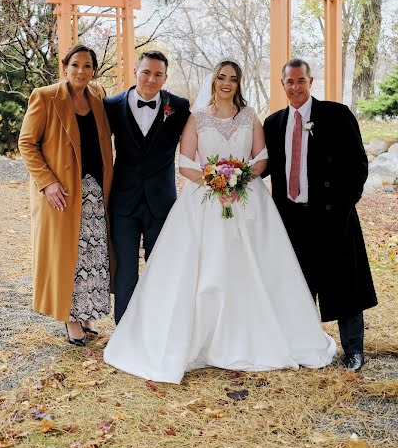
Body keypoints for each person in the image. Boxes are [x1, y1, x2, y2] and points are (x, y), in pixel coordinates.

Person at [104, 60, 336, 384]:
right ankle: (199, 337)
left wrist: (238, 179)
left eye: (233, 79)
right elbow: (185, 163)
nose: (227, 83)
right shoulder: (196, 118)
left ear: (239, 84)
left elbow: (262, 158)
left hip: (247, 201)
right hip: (204, 200)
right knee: (205, 270)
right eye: (221, 78)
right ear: (213, 81)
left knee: (250, 267)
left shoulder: (249, 115)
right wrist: (215, 182)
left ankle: (251, 336)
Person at [263, 58, 377, 372]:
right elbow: (262, 166)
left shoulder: (337, 115)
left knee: (344, 285)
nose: (295, 87)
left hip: (332, 216)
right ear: (282, 84)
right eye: (290, 82)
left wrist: (344, 204)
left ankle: (353, 350)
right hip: (291, 219)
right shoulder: (273, 124)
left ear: (311, 82)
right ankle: (306, 346)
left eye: (301, 81)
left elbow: (358, 164)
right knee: (298, 285)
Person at [18, 44, 114, 346]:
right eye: (75, 65)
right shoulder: (45, 97)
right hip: (62, 192)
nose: (81, 71)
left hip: (95, 191)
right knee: (68, 257)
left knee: (91, 254)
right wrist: (47, 183)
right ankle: (70, 318)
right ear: (65, 67)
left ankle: (86, 313)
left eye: (87, 66)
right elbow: (26, 143)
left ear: (94, 71)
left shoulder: (98, 98)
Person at [103, 50, 190, 324]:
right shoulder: (112, 105)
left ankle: (155, 326)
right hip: (124, 202)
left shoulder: (180, 106)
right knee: (126, 268)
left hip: (161, 202)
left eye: (158, 74)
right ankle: (125, 329)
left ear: (165, 77)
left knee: (159, 267)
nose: (151, 79)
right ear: (135, 71)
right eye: (146, 72)